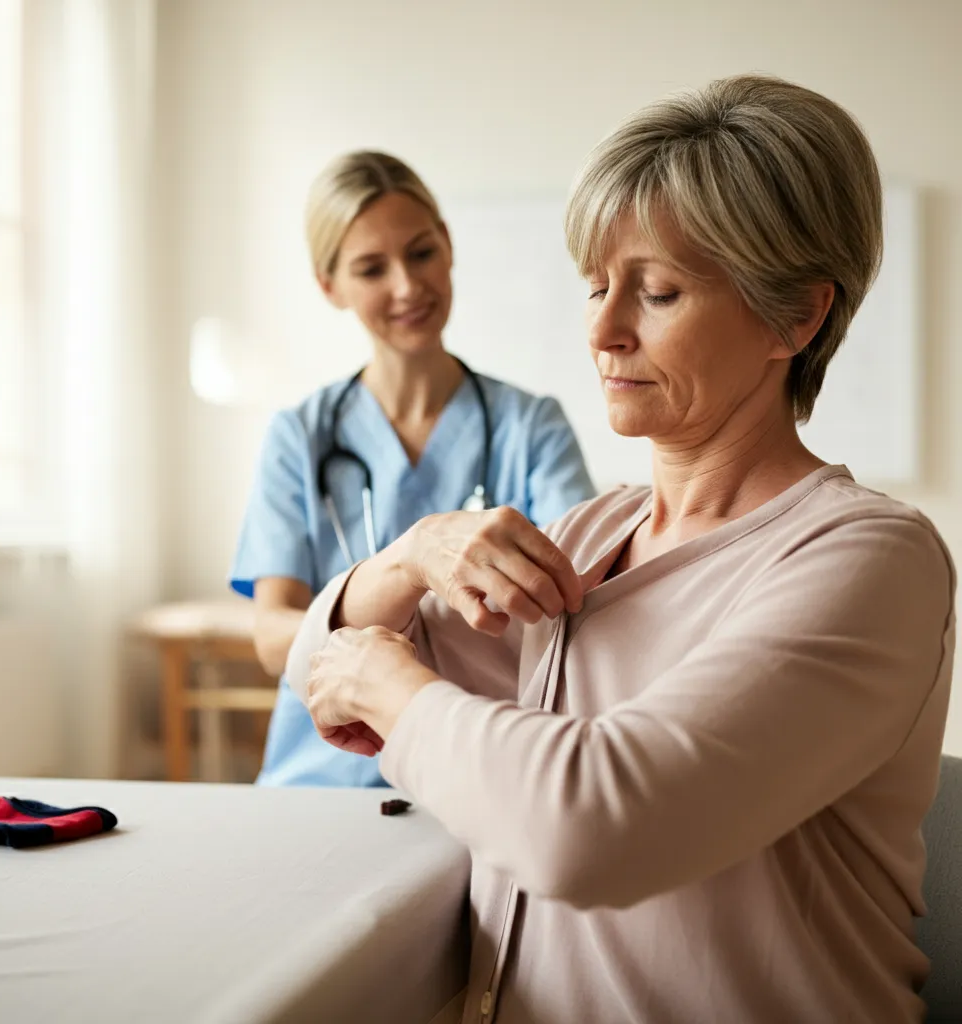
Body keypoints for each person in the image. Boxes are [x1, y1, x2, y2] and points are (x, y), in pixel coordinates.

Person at [287, 76, 956, 1022]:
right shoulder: (589, 537)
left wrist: (390, 690)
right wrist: (409, 557)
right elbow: (319, 667)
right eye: (597, 288)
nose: (601, 332)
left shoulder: (869, 560)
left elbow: (589, 827)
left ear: (796, 317)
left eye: (659, 292)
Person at [230, 151, 595, 788]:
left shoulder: (530, 426)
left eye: (421, 252)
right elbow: (269, 636)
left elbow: (577, 597)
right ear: (330, 285)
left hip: (473, 766)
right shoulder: (300, 436)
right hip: (322, 775)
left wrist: (383, 649)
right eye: (372, 268)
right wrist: (391, 640)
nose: (406, 286)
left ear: (448, 245)